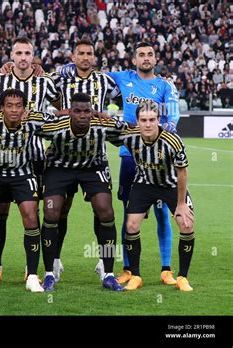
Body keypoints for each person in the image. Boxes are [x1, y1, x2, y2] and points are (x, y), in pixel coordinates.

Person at [60, 41, 180, 286]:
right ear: (133, 60)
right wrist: (50, 69)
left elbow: (174, 114)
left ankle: (166, 268)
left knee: (161, 213)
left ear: (155, 59)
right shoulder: (121, 78)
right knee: (129, 212)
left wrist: (165, 130)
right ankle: (127, 267)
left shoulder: (165, 84)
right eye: (141, 55)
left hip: (158, 155)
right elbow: (84, 68)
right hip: (130, 154)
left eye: (150, 54)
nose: (145, 58)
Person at [0, 37, 60, 283]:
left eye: (27, 53)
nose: (23, 57)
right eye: (19, 53)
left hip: (33, 158)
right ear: (11, 56)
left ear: (33, 56)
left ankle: (30, 268)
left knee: (33, 213)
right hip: (1, 158)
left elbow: (59, 103)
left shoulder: (45, 80)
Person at [36, 92, 125, 292]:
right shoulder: (55, 127)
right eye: (77, 111)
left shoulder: (102, 125)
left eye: (87, 111)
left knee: (106, 211)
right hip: (59, 167)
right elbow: (30, 127)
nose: (82, 115)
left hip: (92, 168)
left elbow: (128, 131)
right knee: (51, 212)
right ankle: (49, 273)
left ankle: (108, 274)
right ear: (70, 112)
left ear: (93, 112)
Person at [49, 39, 120, 283]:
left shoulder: (105, 81)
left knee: (103, 210)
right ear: (73, 55)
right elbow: (45, 104)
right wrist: (64, 113)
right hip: (62, 156)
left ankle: (104, 262)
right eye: (81, 53)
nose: (86, 57)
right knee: (60, 210)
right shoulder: (59, 79)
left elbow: (125, 100)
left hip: (95, 156)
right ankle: (55, 261)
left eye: (90, 53)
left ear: (94, 56)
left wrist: (108, 117)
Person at [0, 89, 49, 293]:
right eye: (9, 105)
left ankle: (31, 275)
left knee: (31, 217)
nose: (14, 110)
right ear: (1, 107)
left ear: (25, 108)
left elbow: (62, 120)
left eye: (18, 106)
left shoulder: (34, 121)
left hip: (22, 174)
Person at [118, 100, 195, 292]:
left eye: (152, 119)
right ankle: (135, 275)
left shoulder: (172, 141)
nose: (148, 124)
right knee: (131, 225)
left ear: (158, 120)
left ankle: (182, 277)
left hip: (171, 185)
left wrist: (181, 204)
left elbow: (182, 172)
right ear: (137, 121)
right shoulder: (130, 136)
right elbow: (109, 128)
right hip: (143, 183)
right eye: (143, 120)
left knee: (186, 223)